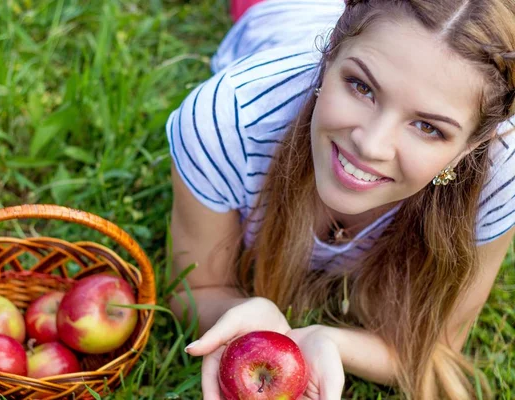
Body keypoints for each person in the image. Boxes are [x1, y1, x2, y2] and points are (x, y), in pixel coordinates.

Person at [166, 0, 515, 398]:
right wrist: (241, 318)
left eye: (427, 127)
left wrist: (325, 340)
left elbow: (437, 347)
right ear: (329, 53)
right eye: (361, 86)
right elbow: (191, 292)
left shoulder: (500, 172)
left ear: (470, 146)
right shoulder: (228, 119)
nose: (371, 145)